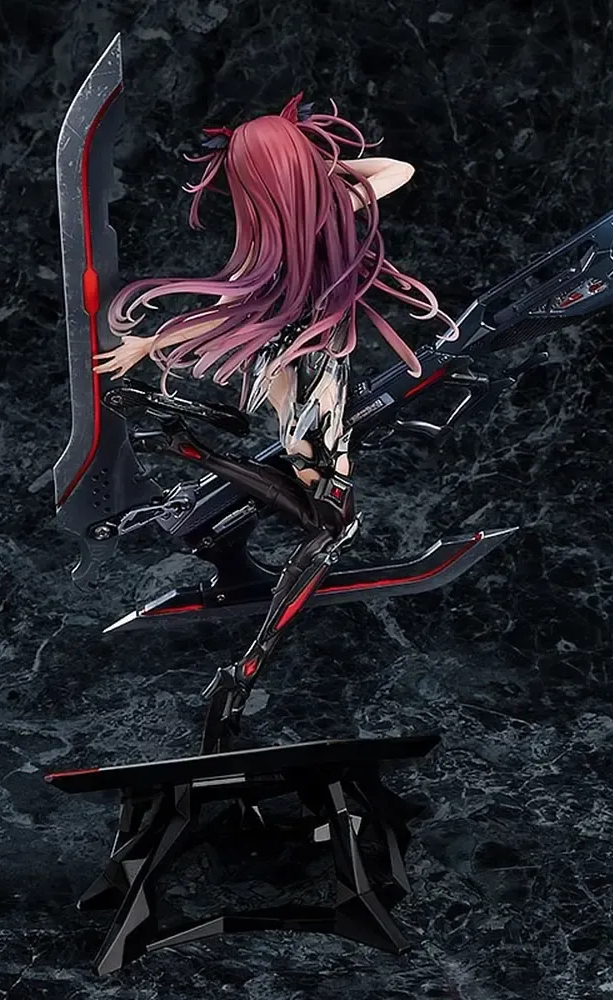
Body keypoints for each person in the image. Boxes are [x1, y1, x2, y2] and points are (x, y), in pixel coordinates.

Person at [93, 92, 457, 749]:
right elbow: (393, 171)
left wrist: (304, 168)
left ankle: (195, 452)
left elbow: (396, 172)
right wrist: (318, 170)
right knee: (334, 525)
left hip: (300, 372)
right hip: (312, 378)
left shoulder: (291, 234)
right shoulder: (318, 223)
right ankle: (246, 665)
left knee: (321, 504)